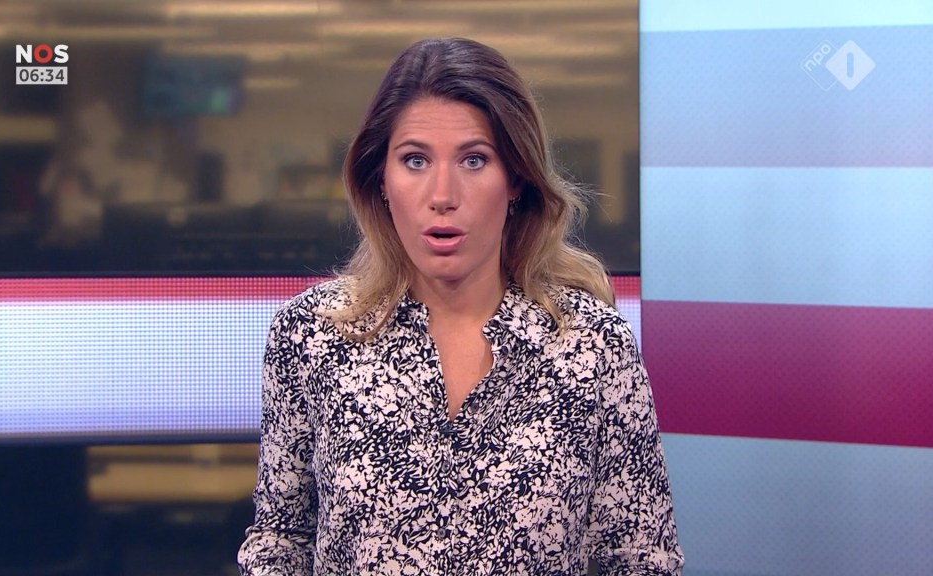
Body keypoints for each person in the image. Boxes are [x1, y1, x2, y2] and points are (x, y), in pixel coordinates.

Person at [238, 37, 683, 576]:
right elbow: (280, 541)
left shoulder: (593, 347)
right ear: (381, 180)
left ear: (516, 178)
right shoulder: (310, 335)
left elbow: (641, 558)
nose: (443, 194)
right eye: (415, 160)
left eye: (474, 160)